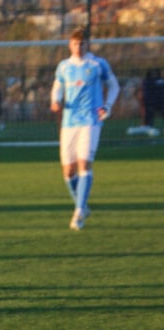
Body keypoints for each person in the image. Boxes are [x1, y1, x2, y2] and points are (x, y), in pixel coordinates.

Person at [49, 28, 120, 231]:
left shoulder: (98, 64)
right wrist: (55, 101)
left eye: (81, 44)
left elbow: (114, 86)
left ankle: (79, 211)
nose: (78, 47)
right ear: (69, 45)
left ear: (87, 45)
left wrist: (107, 106)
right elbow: (57, 87)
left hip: (90, 121)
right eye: (74, 44)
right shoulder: (64, 67)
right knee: (67, 171)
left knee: (84, 164)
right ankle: (82, 204)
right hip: (69, 122)